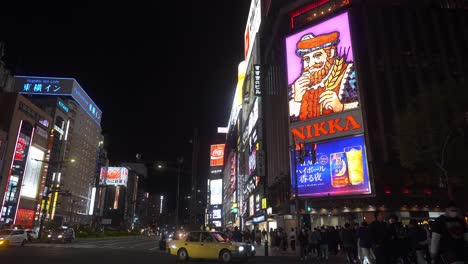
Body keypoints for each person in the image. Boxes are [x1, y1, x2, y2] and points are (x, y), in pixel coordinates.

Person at [289, 31, 359, 122]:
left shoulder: (350, 73)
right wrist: (296, 100)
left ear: (331, 53)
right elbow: (284, 124)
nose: (310, 64)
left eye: (317, 56)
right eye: (306, 59)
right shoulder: (295, 88)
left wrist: (342, 107)